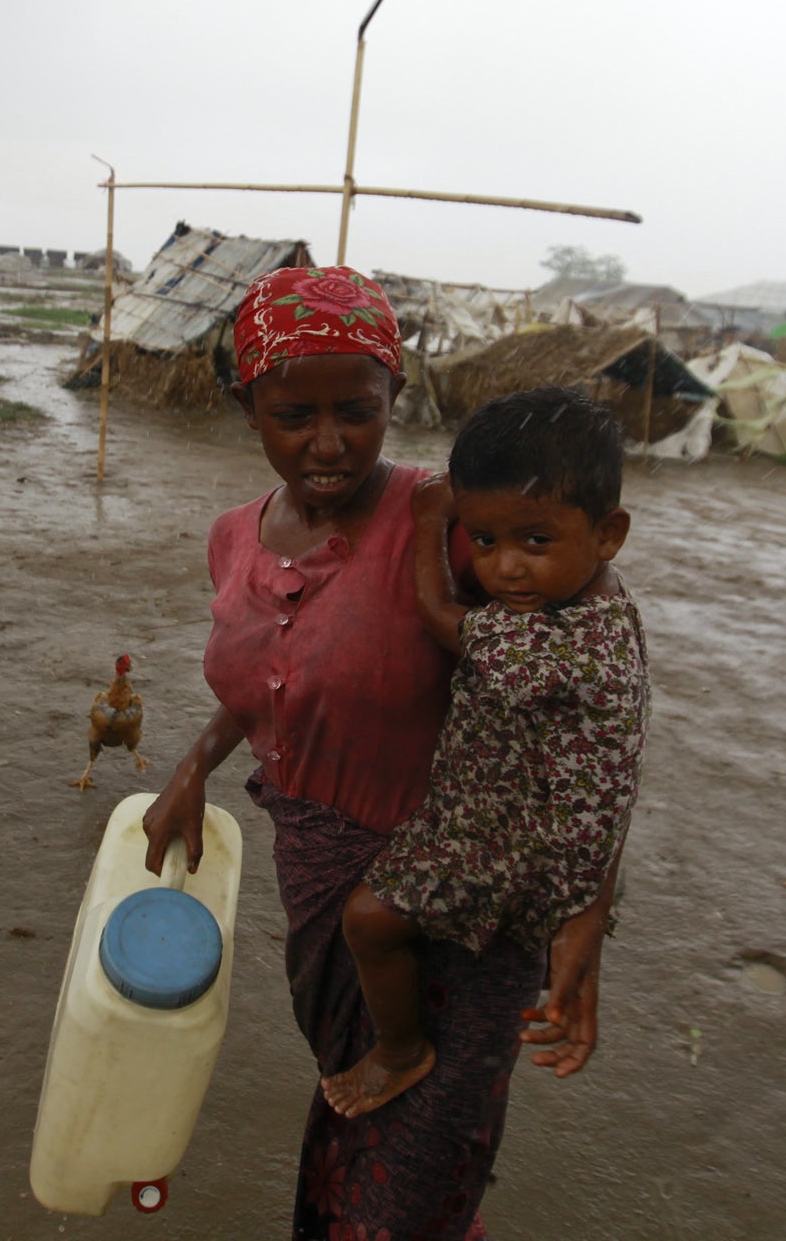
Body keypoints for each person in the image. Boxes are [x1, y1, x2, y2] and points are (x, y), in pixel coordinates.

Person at [142, 265, 624, 1241]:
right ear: (247, 409)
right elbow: (262, 680)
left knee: (412, 1169)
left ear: (394, 395)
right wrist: (192, 768)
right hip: (321, 878)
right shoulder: (234, 537)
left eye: (355, 411)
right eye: (292, 415)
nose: (326, 444)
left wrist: (587, 911)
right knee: (354, 1117)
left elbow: (598, 706)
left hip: (463, 901)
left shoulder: (454, 522)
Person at [318, 386, 647, 1120]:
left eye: (536, 541)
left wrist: (434, 524)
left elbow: (440, 615)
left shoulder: (555, 641)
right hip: (550, 833)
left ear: (608, 533)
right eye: (485, 540)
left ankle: (402, 1050)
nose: (505, 571)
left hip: (507, 844)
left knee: (368, 921)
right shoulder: (607, 601)